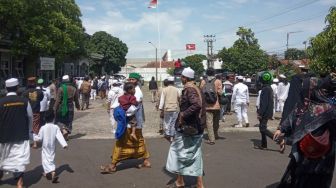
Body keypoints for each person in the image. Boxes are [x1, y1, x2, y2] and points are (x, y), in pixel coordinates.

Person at [274, 73, 336, 187]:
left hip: (320, 153)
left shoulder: (328, 108)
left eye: (304, 86)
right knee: (300, 176)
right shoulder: (304, 105)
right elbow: (292, 117)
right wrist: (281, 129)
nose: (303, 89)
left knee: (309, 179)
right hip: (306, 150)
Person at [100, 72, 151, 174]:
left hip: (132, 121)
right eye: (130, 79)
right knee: (138, 141)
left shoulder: (137, 92)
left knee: (120, 142)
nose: (131, 81)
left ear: (137, 80)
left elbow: (134, 108)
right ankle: (146, 161)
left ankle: (113, 165)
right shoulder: (130, 90)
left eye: (133, 79)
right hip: (131, 122)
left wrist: (122, 112)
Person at [166, 67, 205, 188]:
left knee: (180, 153)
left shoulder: (189, 90)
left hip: (189, 127)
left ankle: (181, 181)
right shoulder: (197, 88)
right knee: (195, 153)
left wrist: (183, 114)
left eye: (182, 77)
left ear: (185, 78)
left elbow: (196, 104)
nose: (180, 79)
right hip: (197, 127)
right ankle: (196, 182)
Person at [0, 78, 33, 188]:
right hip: (21, 135)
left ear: (6, 89)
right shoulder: (24, 101)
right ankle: (19, 182)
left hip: (4, 136)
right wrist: (29, 132)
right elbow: (30, 117)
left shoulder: (1, 102)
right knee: (19, 159)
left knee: (2, 157)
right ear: (18, 88)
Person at [33, 111, 68, 183]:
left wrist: (32, 136)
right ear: (53, 118)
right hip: (52, 146)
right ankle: (49, 173)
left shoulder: (43, 127)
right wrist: (64, 144)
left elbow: (39, 138)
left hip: (45, 146)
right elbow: (59, 136)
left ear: (44, 119)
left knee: (45, 159)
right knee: (51, 158)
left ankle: (51, 173)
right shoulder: (56, 127)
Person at [54, 75, 80, 140]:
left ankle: (63, 129)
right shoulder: (74, 88)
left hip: (61, 106)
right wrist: (78, 106)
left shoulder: (61, 88)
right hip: (71, 106)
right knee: (69, 120)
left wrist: (55, 108)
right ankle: (66, 135)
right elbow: (76, 99)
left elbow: (58, 100)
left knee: (59, 120)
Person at [200, 68, 222, 145]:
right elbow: (220, 93)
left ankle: (212, 139)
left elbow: (201, 92)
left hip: (207, 106)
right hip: (216, 105)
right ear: (214, 73)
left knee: (209, 123)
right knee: (216, 122)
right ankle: (215, 135)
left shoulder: (203, 81)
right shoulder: (218, 81)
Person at [22, 77, 44, 148]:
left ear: (28, 83)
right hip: (36, 111)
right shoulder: (39, 92)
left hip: (26, 112)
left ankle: (26, 143)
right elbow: (41, 99)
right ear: (35, 83)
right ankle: (35, 143)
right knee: (36, 127)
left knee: (27, 127)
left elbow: (23, 101)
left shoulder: (25, 93)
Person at [159, 76, 180, 142]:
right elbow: (179, 98)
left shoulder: (164, 90)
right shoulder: (177, 89)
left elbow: (162, 100)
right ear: (173, 82)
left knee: (167, 122)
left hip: (167, 108)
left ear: (168, 82)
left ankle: (167, 134)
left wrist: (160, 108)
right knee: (173, 123)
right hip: (175, 108)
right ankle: (172, 136)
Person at [257, 72, 274, 149]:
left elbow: (264, 103)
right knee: (262, 128)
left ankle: (279, 140)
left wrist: (260, 113)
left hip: (265, 112)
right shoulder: (268, 88)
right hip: (267, 111)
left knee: (263, 128)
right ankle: (264, 144)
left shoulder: (265, 89)